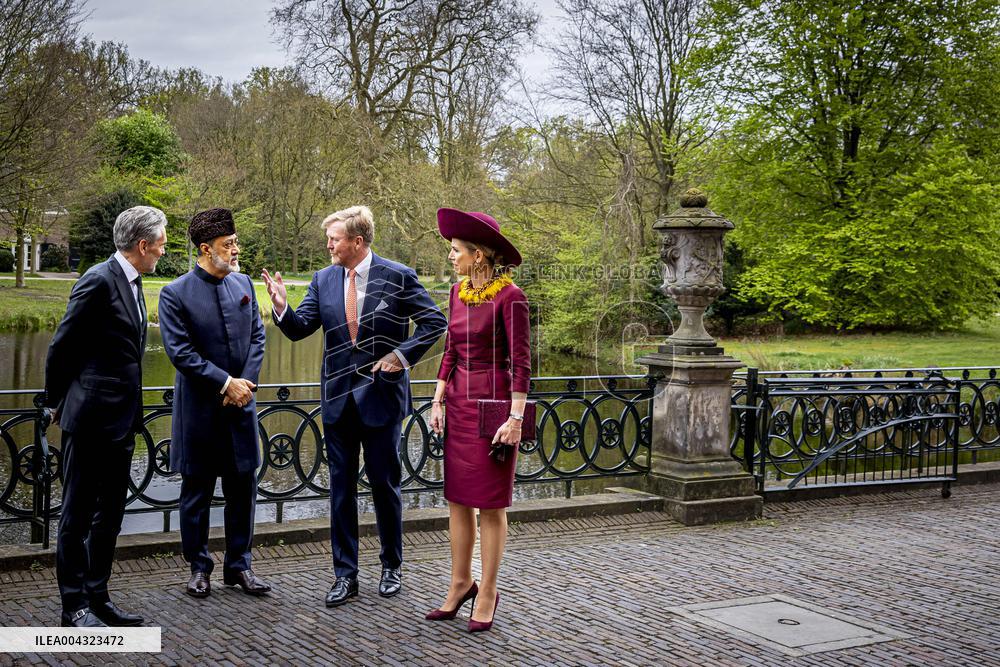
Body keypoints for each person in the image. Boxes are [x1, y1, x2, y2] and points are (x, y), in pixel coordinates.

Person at [261, 205, 447, 607]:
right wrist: (280, 307)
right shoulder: (323, 279)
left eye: (335, 238)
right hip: (338, 403)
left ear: (357, 242)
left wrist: (400, 356)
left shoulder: (398, 276)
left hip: (382, 400)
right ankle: (345, 575)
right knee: (340, 492)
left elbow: (435, 322)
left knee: (385, 487)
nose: (328, 244)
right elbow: (298, 329)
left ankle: (392, 567)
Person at [44, 205, 167, 627]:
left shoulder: (136, 284)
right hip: (90, 419)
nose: (163, 253)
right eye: (161, 245)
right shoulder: (97, 280)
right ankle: (73, 607)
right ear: (142, 245)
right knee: (76, 516)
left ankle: (98, 597)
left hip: (122, 421)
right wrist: (53, 402)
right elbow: (62, 348)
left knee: (109, 516)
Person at [158, 208, 271, 599]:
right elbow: (180, 353)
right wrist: (225, 384)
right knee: (197, 494)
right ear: (206, 249)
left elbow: (259, 336)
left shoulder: (242, 284)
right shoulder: (174, 294)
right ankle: (198, 567)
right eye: (229, 244)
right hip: (200, 413)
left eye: (235, 242)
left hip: (242, 407)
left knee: (243, 491)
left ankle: (239, 567)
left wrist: (244, 384)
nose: (237, 249)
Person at [427, 208, 530, 633]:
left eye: (456, 250)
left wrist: (516, 418)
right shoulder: (455, 294)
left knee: (490, 504)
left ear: (479, 255)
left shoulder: (512, 298)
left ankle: (487, 590)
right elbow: (450, 351)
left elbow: (522, 364)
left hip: (494, 407)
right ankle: (459, 583)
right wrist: (437, 399)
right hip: (460, 404)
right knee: (458, 500)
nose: (451, 256)